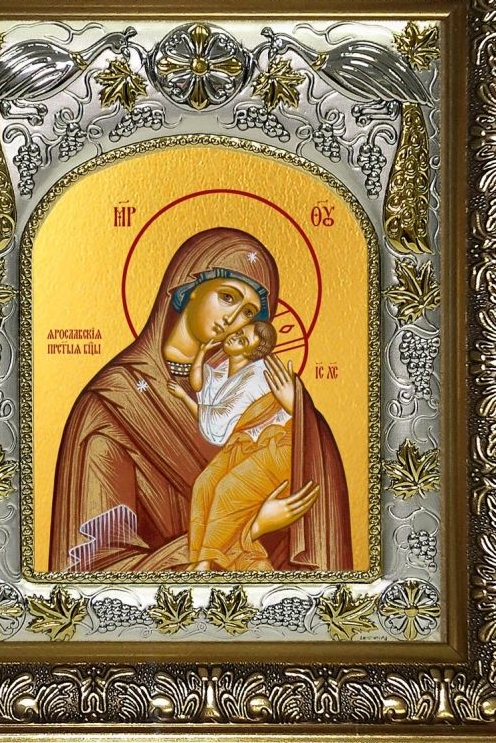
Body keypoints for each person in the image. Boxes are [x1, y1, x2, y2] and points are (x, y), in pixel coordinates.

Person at [48, 227, 353, 573]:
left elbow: (308, 514)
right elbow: (95, 568)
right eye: (228, 297)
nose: (234, 319)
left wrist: (302, 413)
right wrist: (249, 530)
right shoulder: (113, 404)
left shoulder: (259, 387)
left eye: (249, 313)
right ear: (189, 288)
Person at [168, 321, 295, 571]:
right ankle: (198, 561)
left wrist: (183, 398)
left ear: (252, 352)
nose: (234, 337)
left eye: (243, 340)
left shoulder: (255, 378)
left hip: (277, 446)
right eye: (238, 333)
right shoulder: (226, 368)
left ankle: (205, 563)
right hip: (247, 443)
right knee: (204, 484)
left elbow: (215, 427)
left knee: (227, 490)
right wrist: (201, 352)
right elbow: (202, 387)